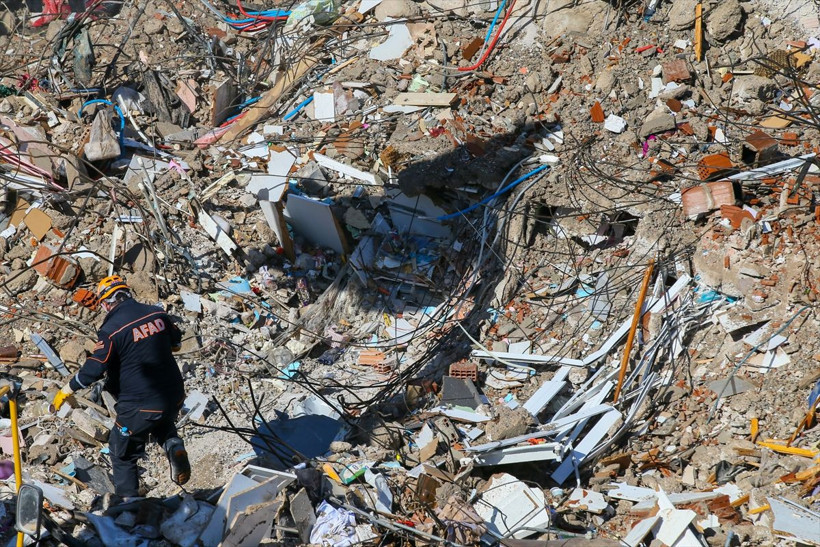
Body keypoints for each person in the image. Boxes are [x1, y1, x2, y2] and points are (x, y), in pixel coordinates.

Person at [52, 275, 191, 499]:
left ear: (106, 303)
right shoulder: (157, 313)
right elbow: (175, 343)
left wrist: (67, 389)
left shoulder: (112, 329)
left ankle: (128, 507)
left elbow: (95, 368)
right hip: (173, 394)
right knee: (159, 420)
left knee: (121, 452)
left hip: (139, 402)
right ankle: (173, 443)